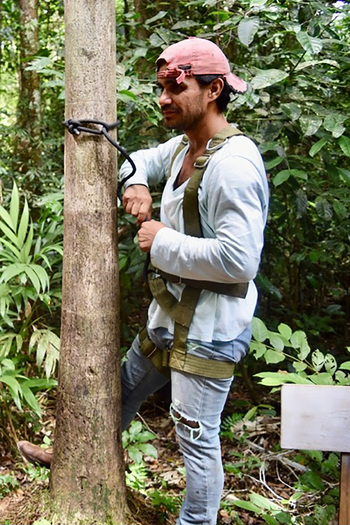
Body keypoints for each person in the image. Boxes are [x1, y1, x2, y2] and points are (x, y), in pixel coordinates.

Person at [18, 37, 269, 525]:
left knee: (196, 440)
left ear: (214, 89)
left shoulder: (233, 165)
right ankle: (76, 457)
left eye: (176, 87)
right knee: (122, 389)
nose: (163, 99)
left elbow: (241, 262)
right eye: (161, 88)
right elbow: (142, 159)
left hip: (211, 332)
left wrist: (162, 238)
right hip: (170, 320)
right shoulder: (185, 147)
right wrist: (135, 182)